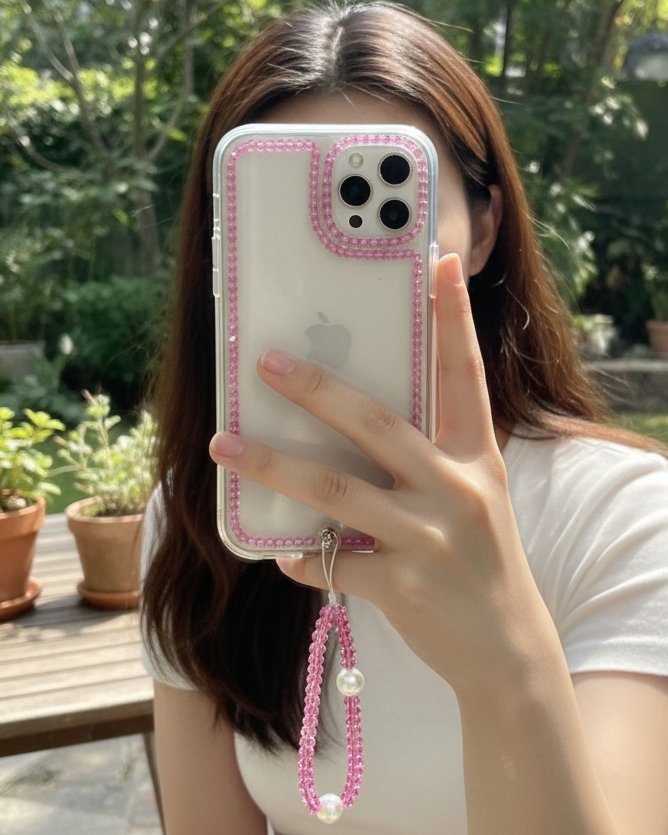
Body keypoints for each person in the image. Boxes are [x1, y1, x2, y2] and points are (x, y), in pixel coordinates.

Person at [140, 3, 668, 833]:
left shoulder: (623, 518)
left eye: (395, 207)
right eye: (276, 228)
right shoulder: (208, 513)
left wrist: (504, 656)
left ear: (485, 228)